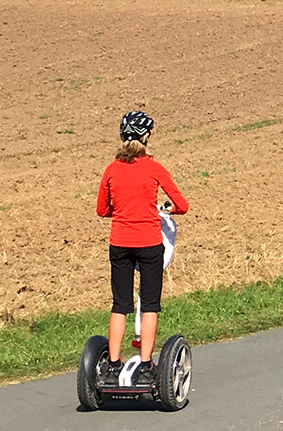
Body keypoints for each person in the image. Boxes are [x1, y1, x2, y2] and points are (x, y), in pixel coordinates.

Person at [96, 110, 189, 386]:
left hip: (120, 243)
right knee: (149, 305)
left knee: (119, 305)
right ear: (146, 137)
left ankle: (112, 365)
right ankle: (146, 364)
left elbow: (102, 209)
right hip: (149, 243)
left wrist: (125, 209)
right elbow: (181, 205)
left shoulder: (112, 169)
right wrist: (165, 208)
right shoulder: (154, 168)